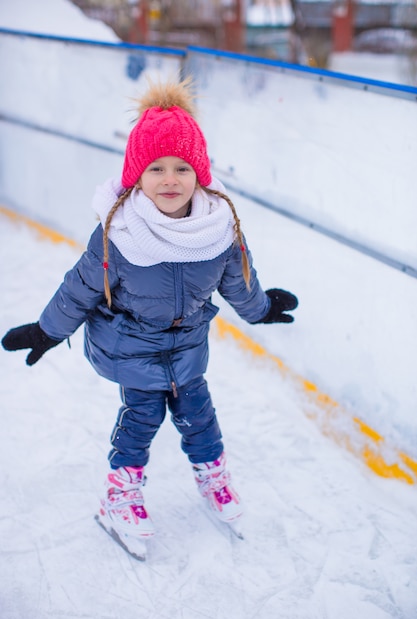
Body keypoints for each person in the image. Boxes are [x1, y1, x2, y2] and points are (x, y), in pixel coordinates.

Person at [2, 77, 298, 554]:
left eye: (182, 168)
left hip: (186, 347)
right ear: (136, 176)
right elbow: (79, 288)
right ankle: (120, 495)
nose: (169, 180)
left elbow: (238, 282)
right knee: (143, 416)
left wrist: (261, 310)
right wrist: (46, 330)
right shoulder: (120, 233)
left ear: (199, 174)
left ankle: (213, 478)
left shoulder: (218, 229)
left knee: (199, 414)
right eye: (156, 168)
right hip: (131, 346)